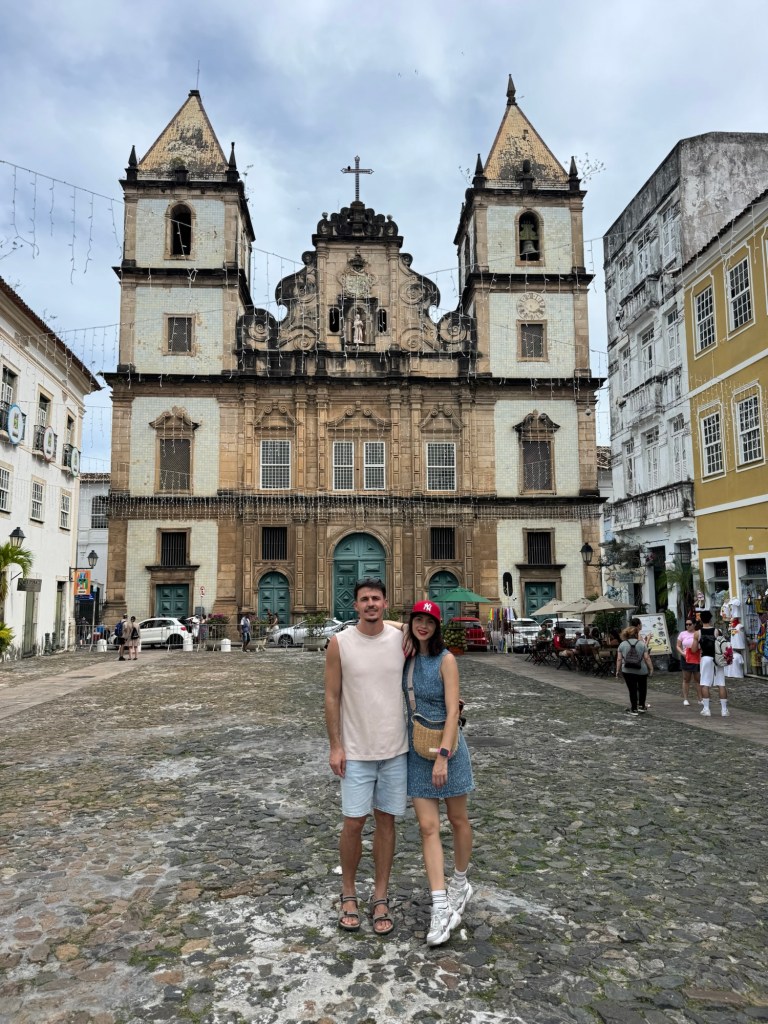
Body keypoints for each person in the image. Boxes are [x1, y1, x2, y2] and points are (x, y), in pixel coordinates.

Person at [324, 577, 409, 937]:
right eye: (364, 599)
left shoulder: (402, 640)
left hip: (395, 750)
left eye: (376, 598)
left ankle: (380, 896)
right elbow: (331, 696)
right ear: (354, 604)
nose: (371, 604)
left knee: (386, 822)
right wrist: (336, 745)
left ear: (385, 603)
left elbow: (430, 641)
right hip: (356, 751)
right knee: (354, 823)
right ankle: (348, 893)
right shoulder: (339, 643)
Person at [404, 600, 474, 947]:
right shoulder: (406, 657)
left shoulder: (447, 660)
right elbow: (381, 623)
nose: (423, 626)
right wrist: (403, 627)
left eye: (429, 622)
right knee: (428, 828)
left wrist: (444, 757)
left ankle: (461, 881)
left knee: (458, 819)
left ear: (437, 627)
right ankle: (440, 904)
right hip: (417, 750)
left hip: (448, 750)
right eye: (418, 620)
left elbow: (452, 711)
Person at [692, 609, 729, 717]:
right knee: (721, 683)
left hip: (706, 658)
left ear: (701, 620)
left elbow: (694, 649)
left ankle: (706, 709)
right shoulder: (717, 631)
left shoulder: (697, 633)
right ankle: (724, 710)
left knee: (705, 683)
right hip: (717, 658)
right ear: (711, 619)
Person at [615, 624, 653, 715]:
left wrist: (617, 670)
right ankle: (642, 706)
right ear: (636, 634)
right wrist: (651, 668)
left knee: (632, 689)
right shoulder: (642, 644)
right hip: (641, 670)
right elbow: (647, 658)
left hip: (627, 670)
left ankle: (634, 708)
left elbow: (619, 659)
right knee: (642, 688)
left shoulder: (622, 644)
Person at [676, 617, 701, 706]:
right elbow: (678, 645)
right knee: (686, 679)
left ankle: (700, 699)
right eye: (686, 624)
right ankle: (686, 698)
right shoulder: (682, 634)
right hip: (686, 657)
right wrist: (682, 653)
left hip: (696, 657)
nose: (688, 626)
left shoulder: (698, 633)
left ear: (694, 625)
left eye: (690, 624)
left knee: (698, 679)